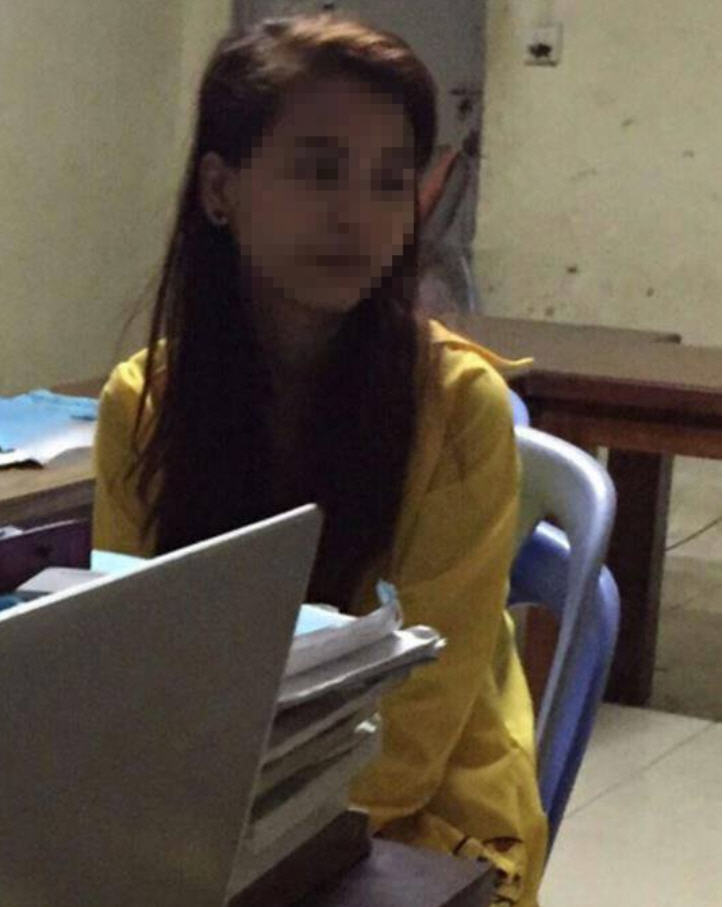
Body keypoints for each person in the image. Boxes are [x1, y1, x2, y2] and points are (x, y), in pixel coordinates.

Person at [92, 13, 547, 905]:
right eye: (318, 168)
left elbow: (414, 736)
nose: (358, 216)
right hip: (204, 820)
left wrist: (228, 835)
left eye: (390, 181)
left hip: (421, 824)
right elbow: (132, 666)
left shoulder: (460, 410)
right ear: (219, 189)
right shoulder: (142, 405)